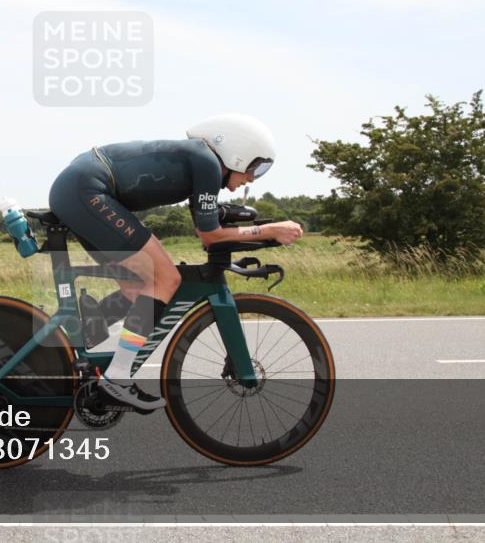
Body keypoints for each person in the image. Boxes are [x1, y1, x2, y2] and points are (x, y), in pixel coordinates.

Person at [48, 114, 304, 412]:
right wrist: (270, 230)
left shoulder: (202, 162)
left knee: (137, 289)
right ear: (238, 152)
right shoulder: (207, 162)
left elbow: (208, 222)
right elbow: (209, 236)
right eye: (255, 167)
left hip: (80, 187)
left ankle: (65, 347)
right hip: (87, 188)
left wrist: (249, 226)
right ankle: (116, 379)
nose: (251, 178)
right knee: (166, 279)